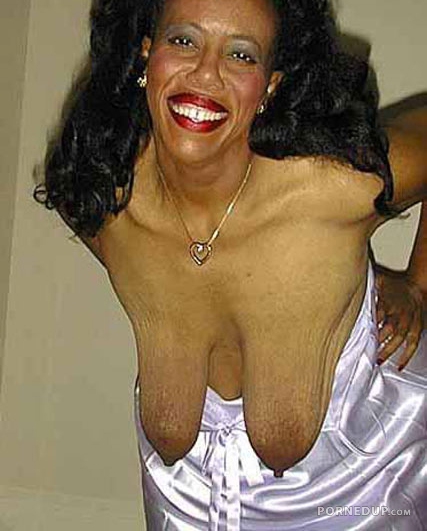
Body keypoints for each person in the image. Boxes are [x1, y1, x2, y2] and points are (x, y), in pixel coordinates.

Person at [34, 0, 427, 528]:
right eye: (183, 41)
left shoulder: (329, 191)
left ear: (270, 85)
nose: (206, 73)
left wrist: (417, 286)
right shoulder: (108, 203)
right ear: (146, 55)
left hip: (368, 499)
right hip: (183, 511)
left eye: (241, 54)